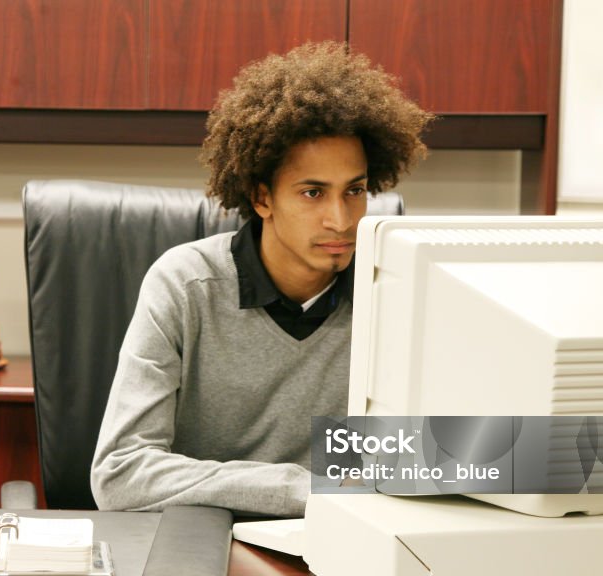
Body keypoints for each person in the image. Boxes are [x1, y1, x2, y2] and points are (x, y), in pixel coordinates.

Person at [91, 42, 431, 516]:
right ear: (261, 198)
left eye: (354, 191)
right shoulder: (186, 285)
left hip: (339, 550)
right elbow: (121, 474)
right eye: (313, 193)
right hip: (199, 549)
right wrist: (303, 488)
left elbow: (423, 461)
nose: (341, 219)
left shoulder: (392, 292)